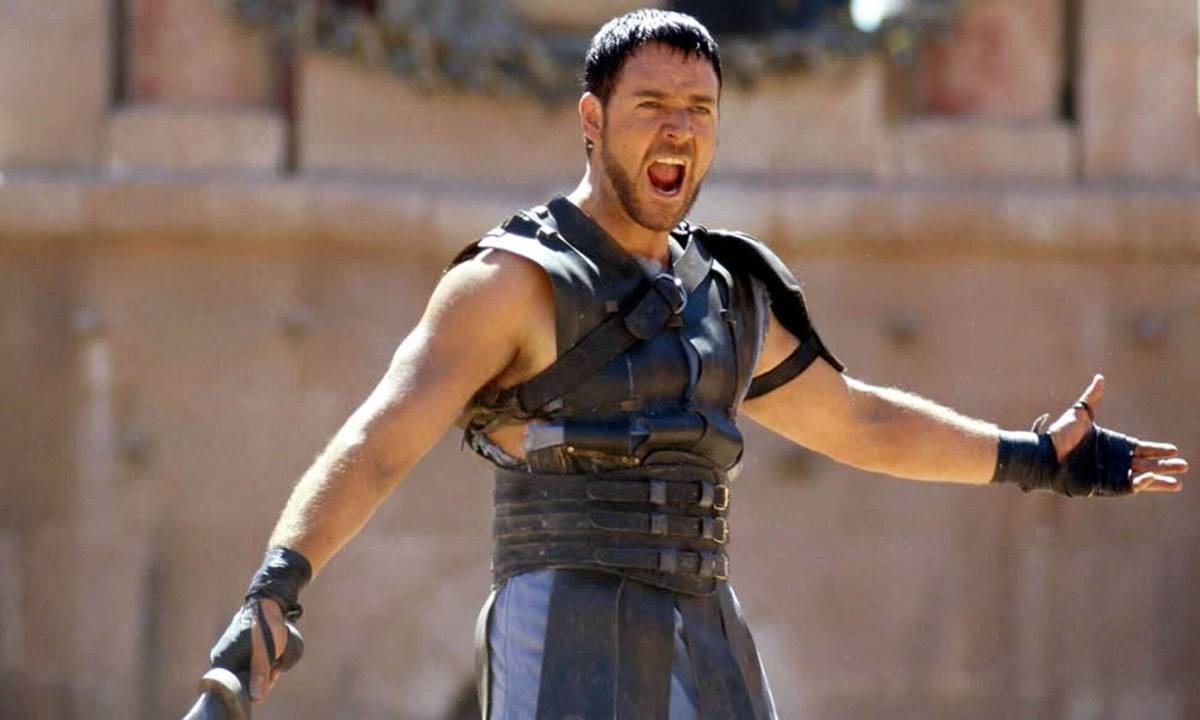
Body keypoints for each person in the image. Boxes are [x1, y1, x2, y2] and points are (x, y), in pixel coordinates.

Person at [203, 9, 1188, 719]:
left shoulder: (728, 293)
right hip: (562, 629)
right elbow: (380, 440)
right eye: (652, 106)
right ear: (593, 119)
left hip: (705, 635)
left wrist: (1036, 457)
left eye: (699, 109)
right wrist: (276, 588)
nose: (679, 128)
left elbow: (859, 420)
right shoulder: (510, 284)